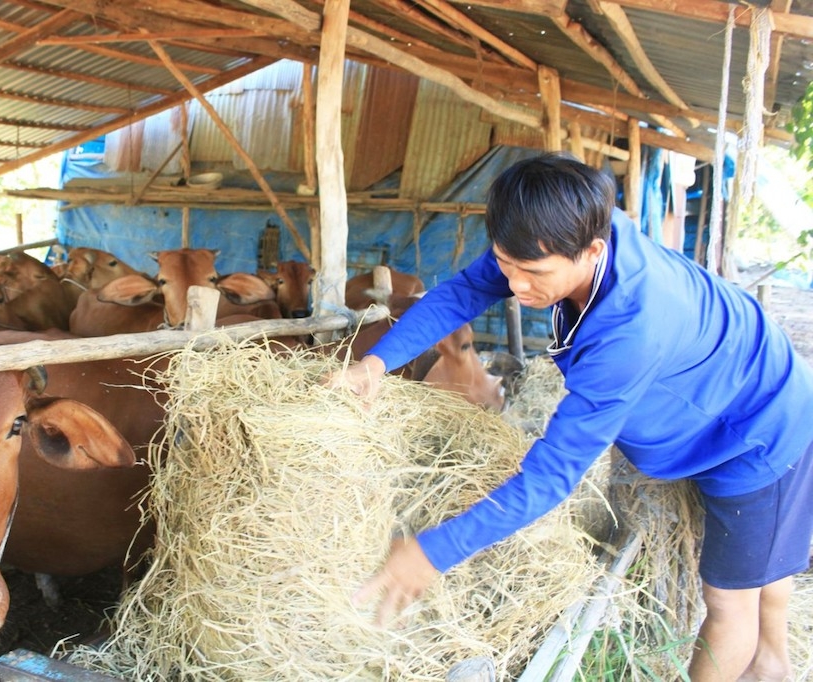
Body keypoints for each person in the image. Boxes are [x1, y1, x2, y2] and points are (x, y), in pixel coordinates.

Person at [329, 153, 813, 681]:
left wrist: (433, 552)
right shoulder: (556, 230)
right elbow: (467, 290)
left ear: (593, 251)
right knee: (762, 579)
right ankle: (774, 666)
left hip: (760, 430)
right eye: (505, 265)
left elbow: (551, 477)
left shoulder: (629, 332)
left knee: (727, 601)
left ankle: (766, 661)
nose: (515, 286)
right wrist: (376, 362)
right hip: (729, 379)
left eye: (533, 274)